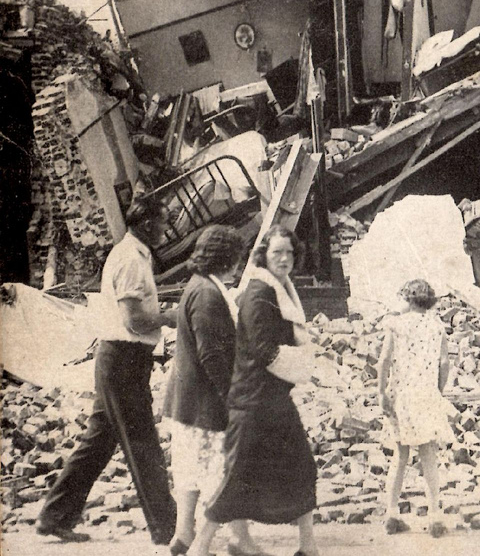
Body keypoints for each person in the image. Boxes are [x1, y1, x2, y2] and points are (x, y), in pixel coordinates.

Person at [36, 195, 178, 544]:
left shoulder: (133, 253)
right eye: (163, 220)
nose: (167, 227)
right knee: (143, 443)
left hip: (122, 360)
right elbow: (135, 319)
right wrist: (173, 317)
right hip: (124, 360)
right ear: (146, 224)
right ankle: (169, 529)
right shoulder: (130, 259)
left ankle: (54, 516)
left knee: (99, 442)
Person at [188, 226, 319, 556]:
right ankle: (199, 548)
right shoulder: (260, 292)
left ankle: (308, 546)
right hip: (254, 400)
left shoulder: (279, 288)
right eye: (277, 253)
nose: (284, 259)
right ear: (264, 255)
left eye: (289, 252)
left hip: (271, 398)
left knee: (301, 468)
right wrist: (304, 363)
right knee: (237, 478)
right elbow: (263, 349)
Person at [163, 226, 265, 556]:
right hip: (207, 402)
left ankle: (183, 534)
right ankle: (238, 540)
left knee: (192, 470)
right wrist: (233, 395)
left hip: (190, 400)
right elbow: (212, 354)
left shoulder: (200, 287)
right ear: (227, 259)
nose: (240, 262)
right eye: (237, 256)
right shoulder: (208, 294)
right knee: (226, 471)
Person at [378, 279, 454, 537]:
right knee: (428, 455)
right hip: (426, 394)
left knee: (400, 457)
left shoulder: (396, 324)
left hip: (401, 395)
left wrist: (381, 392)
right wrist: (439, 391)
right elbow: (444, 363)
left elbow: (384, 361)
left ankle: (391, 513)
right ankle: (434, 516)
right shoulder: (437, 326)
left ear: (408, 299)